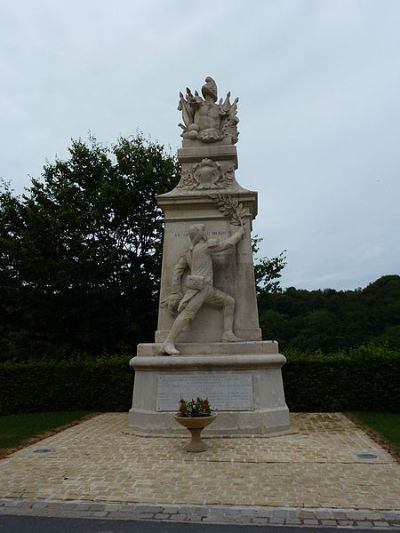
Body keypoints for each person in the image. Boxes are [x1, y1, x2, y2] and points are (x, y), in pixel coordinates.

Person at [161, 223, 244, 355]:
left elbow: (177, 271)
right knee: (187, 314)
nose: (206, 232)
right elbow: (227, 244)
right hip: (200, 289)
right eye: (203, 230)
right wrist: (239, 233)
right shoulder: (204, 247)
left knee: (229, 301)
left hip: (208, 289)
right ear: (199, 234)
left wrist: (175, 291)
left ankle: (227, 333)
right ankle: (168, 342)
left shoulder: (189, 252)